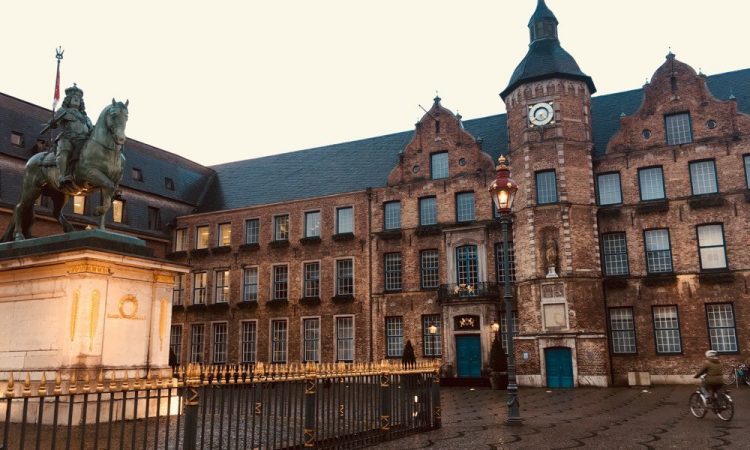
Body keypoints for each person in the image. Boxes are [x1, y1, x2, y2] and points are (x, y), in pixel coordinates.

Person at [41, 84, 93, 186]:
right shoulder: (63, 111)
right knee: (65, 150)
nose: (76, 100)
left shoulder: (86, 118)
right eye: (74, 98)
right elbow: (55, 124)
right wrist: (53, 123)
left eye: (78, 98)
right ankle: (62, 176)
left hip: (82, 140)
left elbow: (90, 130)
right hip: (68, 137)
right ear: (68, 99)